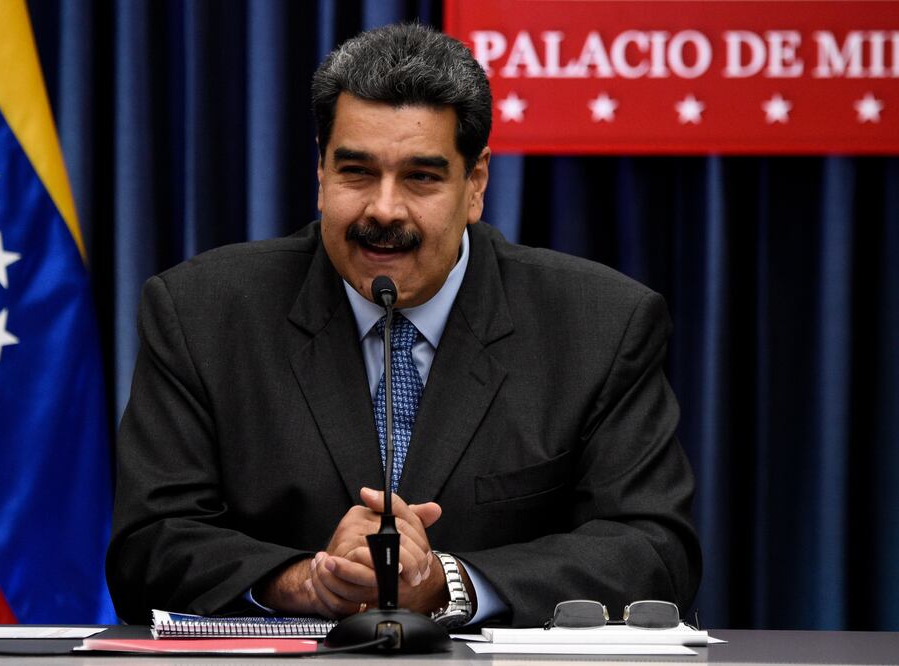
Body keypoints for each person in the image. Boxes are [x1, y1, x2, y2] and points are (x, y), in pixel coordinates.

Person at [106, 22, 701, 629]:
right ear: (320, 173)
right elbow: (148, 547)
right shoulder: (203, 313)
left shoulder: (599, 325)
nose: (384, 209)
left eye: (421, 177)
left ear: (475, 185)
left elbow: (654, 551)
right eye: (356, 172)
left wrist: (450, 583)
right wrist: (307, 583)